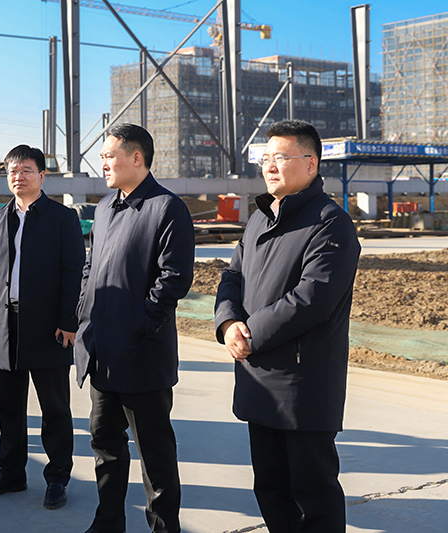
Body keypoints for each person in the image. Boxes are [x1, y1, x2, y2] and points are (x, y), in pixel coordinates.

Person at [214, 119, 360, 532]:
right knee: (271, 488)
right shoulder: (260, 219)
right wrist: (228, 323)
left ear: (311, 164)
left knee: (313, 496)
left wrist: (249, 334)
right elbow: (232, 276)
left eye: (281, 157)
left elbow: (312, 299)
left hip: (302, 384)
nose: (270, 166)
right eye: (266, 158)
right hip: (258, 377)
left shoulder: (330, 223)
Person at [75, 123, 195, 533]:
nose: (103, 164)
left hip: (141, 355)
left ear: (137, 158)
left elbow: (174, 277)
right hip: (101, 352)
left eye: (109, 156)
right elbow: (91, 266)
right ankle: (108, 521)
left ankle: (164, 528)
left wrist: (140, 325)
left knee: (154, 454)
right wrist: (84, 312)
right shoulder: (105, 207)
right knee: (105, 444)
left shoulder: (166, 208)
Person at [0, 144, 85, 510]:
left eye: (26, 170)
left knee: (54, 408)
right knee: (8, 405)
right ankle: (11, 473)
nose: (18, 177)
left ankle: (57, 477)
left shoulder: (62, 218)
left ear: (42, 176)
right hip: (6, 326)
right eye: (12, 171)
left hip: (49, 328)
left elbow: (74, 272)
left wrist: (69, 321)